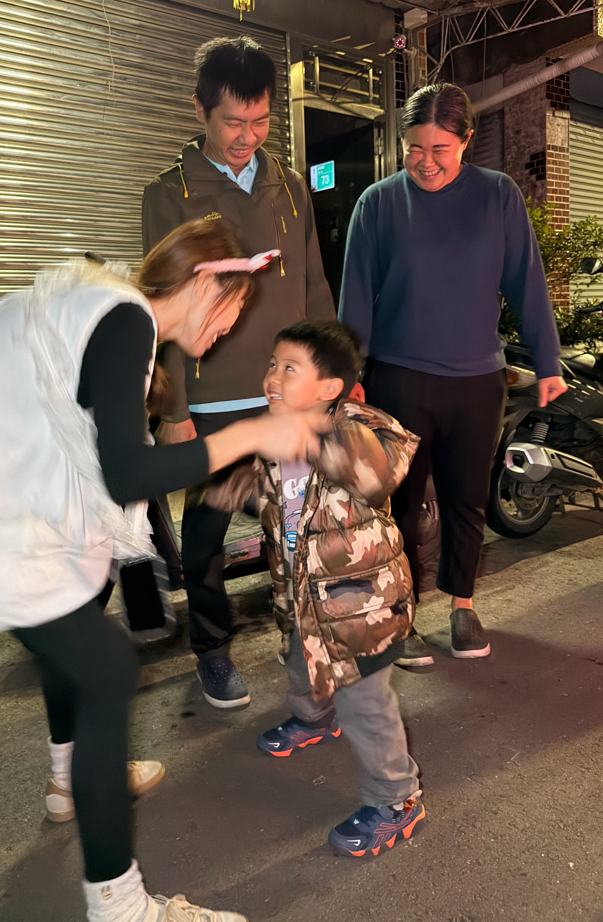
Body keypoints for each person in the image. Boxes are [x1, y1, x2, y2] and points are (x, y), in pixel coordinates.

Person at [0, 220, 329, 922]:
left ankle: (70, 778)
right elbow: (127, 473)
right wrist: (253, 435)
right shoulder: (125, 319)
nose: (230, 329)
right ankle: (121, 906)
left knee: (82, 605)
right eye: (235, 309)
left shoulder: (106, 308)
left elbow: (86, 454)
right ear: (208, 284)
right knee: (106, 669)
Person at [339, 82, 568, 666]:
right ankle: (402, 615)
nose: (426, 162)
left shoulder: (497, 195)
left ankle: (462, 606)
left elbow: (526, 280)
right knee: (400, 507)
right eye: (414, 148)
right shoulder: (378, 204)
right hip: (399, 380)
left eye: (440, 149)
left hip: (476, 381)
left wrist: (547, 361)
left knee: (467, 499)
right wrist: (347, 374)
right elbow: (356, 296)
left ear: (466, 140)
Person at [143, 35, 334, 709]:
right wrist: (173, 411)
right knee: (207, 538)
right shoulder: (169, 195)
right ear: (201, 110)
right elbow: (160, 307)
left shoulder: (289, 186)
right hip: (213, 402)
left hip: (286, 396)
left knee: (298, 524)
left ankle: (303, 634)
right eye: (233, 122)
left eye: (260, 121)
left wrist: (329, 374)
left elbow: (313, 284)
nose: (247, 137)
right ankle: (212, 649)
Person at [207, 320, 426, 857]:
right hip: (299, 596)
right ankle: (313, 719)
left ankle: (396, 800)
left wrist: (307, 434)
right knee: (298, 661)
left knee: (365, 705)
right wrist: (212, 480)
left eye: (289, 367)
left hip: (361, 608)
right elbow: (256, 494)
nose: (272, 376)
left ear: (329, 387)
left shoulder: (361, 429)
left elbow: (374, 475)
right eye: (272, 364)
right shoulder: (271, 435)